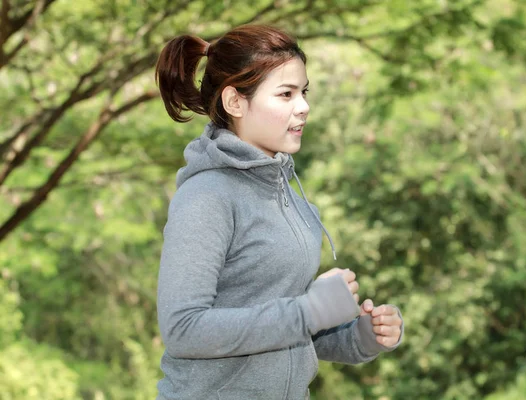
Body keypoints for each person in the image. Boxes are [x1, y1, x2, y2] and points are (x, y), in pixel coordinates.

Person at [154, 24, 404, 400]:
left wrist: (360, 338)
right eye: (285, 94)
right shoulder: (207, 197)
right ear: (235, 102)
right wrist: (309, 311)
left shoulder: (293, 201)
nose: (303, 106)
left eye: (303, 92)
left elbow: (288, 331)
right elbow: (183, 329)